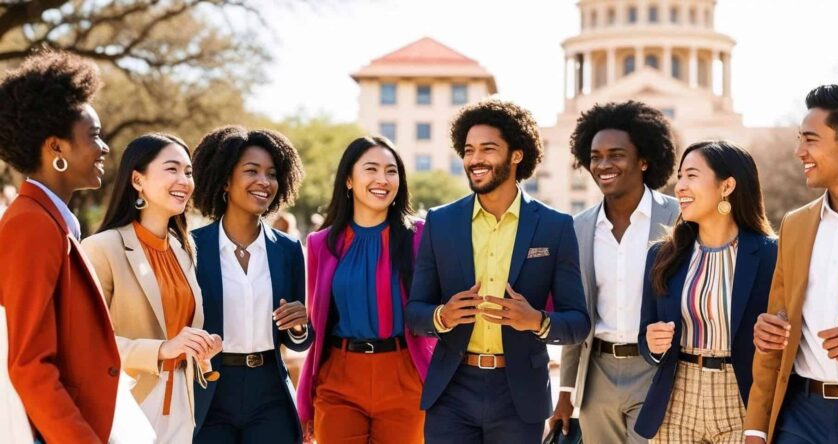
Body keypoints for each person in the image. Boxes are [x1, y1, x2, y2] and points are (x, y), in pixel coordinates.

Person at [406, 99, 591, 443]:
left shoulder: (555, 227)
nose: (475, 159)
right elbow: (415, 312)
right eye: (469, 150)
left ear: (516, 155)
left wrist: (537, 321)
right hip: (452, 391)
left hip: (519, 395)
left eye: (487, 149)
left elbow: (578, 323)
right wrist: (442, 316)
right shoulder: (440, 222)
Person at [745, 83, 838, 444]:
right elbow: (775, 329)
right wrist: (756, 427)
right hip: (798, 415)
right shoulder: (795, 224)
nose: (799, 151)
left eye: (810, 139)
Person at [0, 48, 121, 443]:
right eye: (95, 136)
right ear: (56, 148)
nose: (103, 148)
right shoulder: (31, 225)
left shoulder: (51, 222)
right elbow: (29, 364)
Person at [551, 101, 679, 443]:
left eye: (616, 154)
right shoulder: (578, 228)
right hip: (598, 375)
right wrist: (565, 392)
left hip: (659, 369)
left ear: (644, 159)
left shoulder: (680, 220)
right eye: (595, 155)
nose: (603, 164)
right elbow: (576, 313)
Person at [82, 133, 223, 442]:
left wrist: (199, 349)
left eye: (188, 172)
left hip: (181, 406)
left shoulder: (183, 250)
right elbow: (84, 343)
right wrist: (161, 350)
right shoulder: (101, 248)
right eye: (171, 169)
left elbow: (176, 325)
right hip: (128, 401)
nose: (184, 180)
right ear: (137, 180)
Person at [635, 140, 777, 443]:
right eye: (680, 176)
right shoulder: (662, 255)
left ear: (727, 186)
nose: (679, 186)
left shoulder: (771, 255)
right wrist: (652, 343)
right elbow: (645, 338)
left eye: (691, 175)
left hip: (741, 399)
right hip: (676, 398)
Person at [297, 135, 435, 443]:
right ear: (348, 179)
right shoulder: (321, 244)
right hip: (339, 376)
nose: (382, 179)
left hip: (404, 375)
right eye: (371, 169)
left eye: (391, 171)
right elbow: (316, 324)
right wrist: (306, 399)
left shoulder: (421, 237)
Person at [190, 126, 313, 443]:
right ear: (225, 180)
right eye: (252, 171)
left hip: (268, 390)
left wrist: (299, 327)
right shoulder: (191, 248)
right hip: (210, 389)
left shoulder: (287, 250)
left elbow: (297, 341)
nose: (264, 181)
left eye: (272, 174)